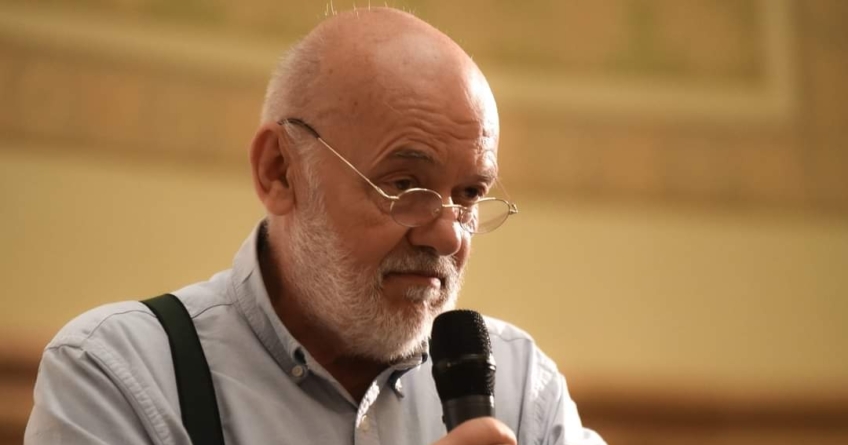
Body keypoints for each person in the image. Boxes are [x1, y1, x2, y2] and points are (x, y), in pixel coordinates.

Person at [25, 7, 604, 445]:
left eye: (470, 195)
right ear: (279, 171)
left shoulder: (521, 388)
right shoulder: (121, 375)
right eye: (405, 184)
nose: (449, 235)